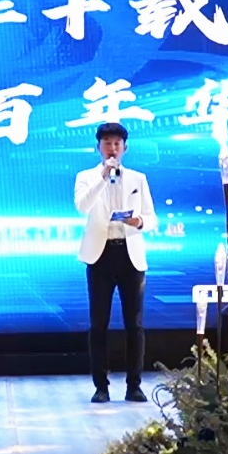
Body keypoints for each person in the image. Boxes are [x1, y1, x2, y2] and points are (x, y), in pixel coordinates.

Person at [74, 122, 158, 403]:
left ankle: (134, 385)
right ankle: (101, 387)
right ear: (98, 147)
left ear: (125, 147)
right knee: (99, 324)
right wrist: (103, 177)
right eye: (107, 143)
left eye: (117, 143)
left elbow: (152, 217)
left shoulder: (138, 178)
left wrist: (139, 221)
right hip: (100, 255)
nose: (112, 148)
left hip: (130, 255)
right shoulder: (86, 177)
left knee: (134, 324)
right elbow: (82, 206)